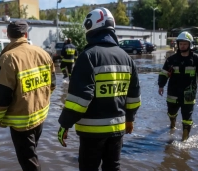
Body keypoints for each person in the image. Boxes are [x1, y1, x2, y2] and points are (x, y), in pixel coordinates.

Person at [57, 8, 141, 171]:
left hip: (92, 131)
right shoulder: (126, 58)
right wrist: (130, 119)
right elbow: (134, 96)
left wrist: (64, 124)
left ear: (90, 27)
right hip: (118, 129)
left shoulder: (88, 56)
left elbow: (79, 99)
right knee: (113, 167)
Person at [0, 20, 56, 171]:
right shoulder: (44, 53)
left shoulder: (8, 58)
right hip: (40, 117)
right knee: (32, 154)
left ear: (9, 35)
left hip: (22, 124)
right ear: (26, 34)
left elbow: (2, 98)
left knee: (29, 162)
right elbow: (52, 85)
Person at [158, 31, 198, 141]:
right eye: (180, 44)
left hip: (189, 93)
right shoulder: (171, 59)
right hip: (173, 92)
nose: (182, 46)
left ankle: (184, 141)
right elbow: (163, 73)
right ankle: (172, 125)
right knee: (171, 113)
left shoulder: (197, 59)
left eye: (185, 44)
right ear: (178, 44)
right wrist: (161, 86)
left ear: (190, 45)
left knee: (187, 118)